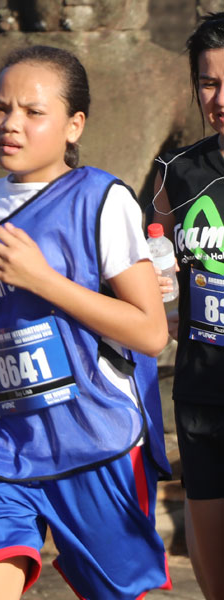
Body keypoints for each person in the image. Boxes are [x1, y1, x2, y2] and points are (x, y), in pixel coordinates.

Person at [0, 45, 174, 599]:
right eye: (0, 108)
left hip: (96, 442)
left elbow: (149, 331)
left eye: (33, 112)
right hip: (4, 448)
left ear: (74, 125)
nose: (10, 125)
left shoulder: (102, 199)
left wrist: (44, 279)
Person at [148, 13, 224, 597]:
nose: (219, 98)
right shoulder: (177, 172)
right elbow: (157, 271)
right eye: (208, 82)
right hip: (203, 395)